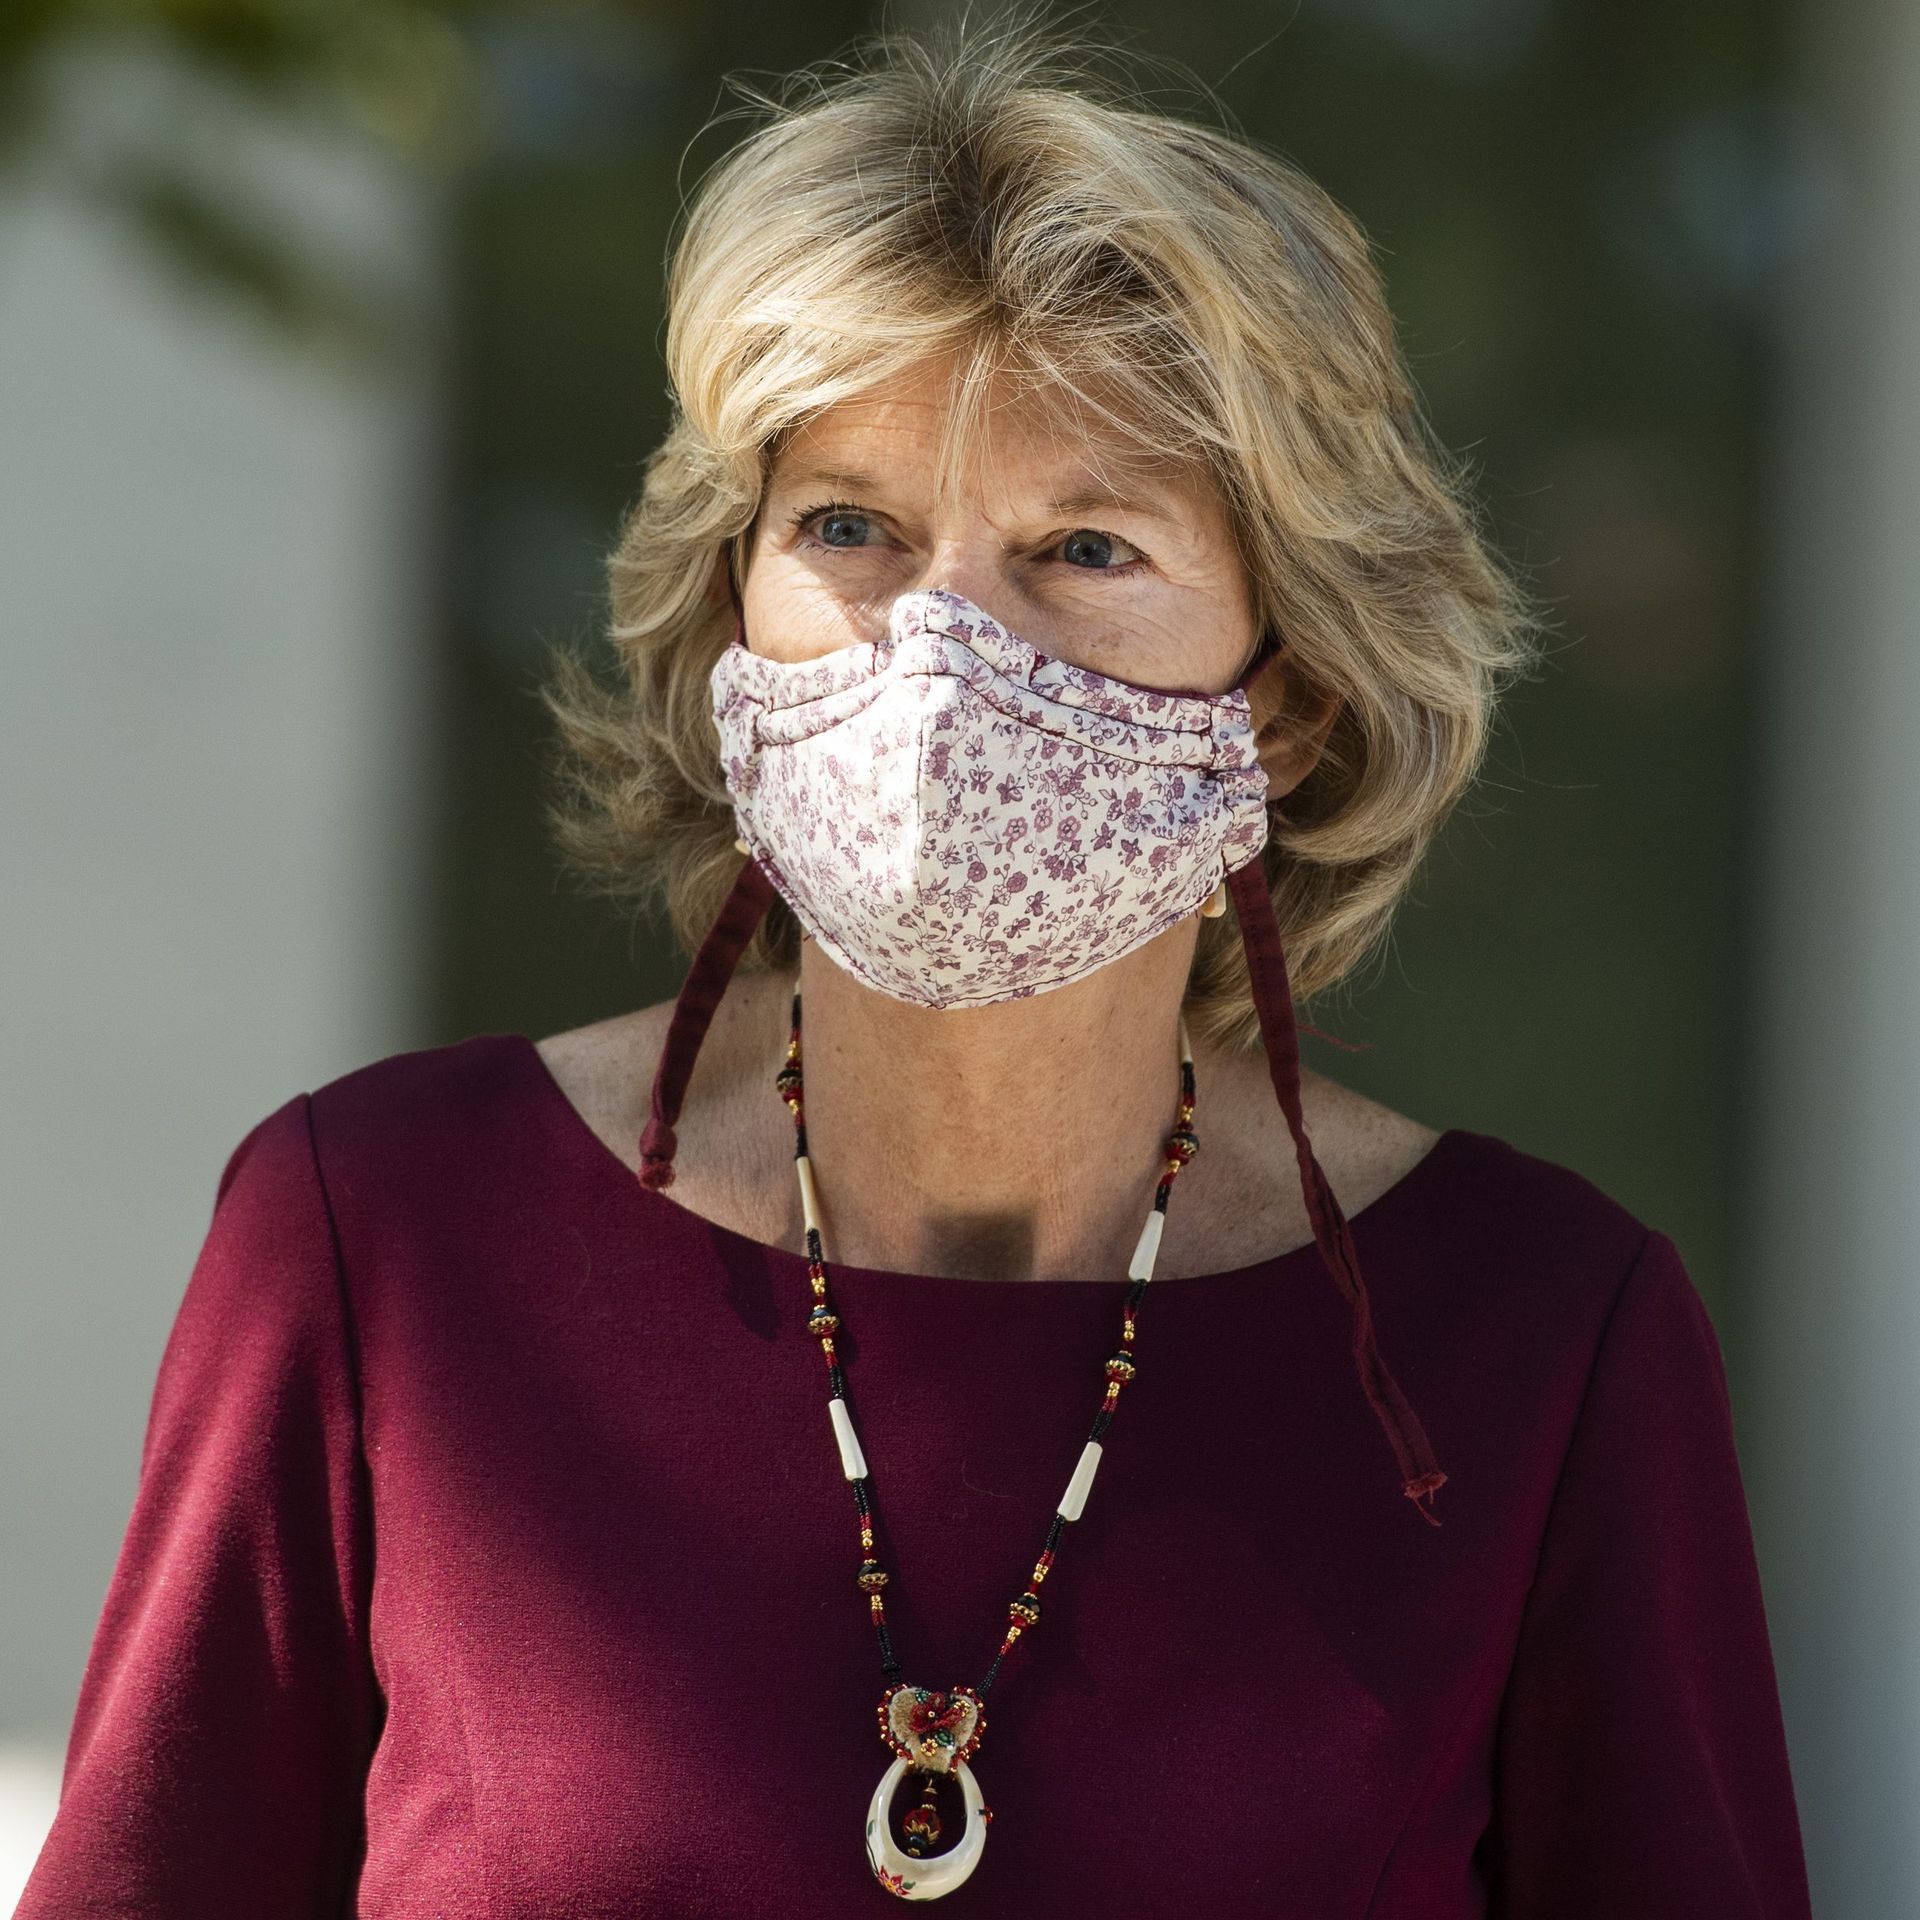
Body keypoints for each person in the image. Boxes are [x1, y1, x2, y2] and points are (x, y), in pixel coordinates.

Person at [19, 17, 1812, 1917]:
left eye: (1087, 546)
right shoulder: (383, 1240)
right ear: (732, 613)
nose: (943, 650)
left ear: (1285, 704)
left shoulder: (1541, 1341)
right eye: (851, 526)